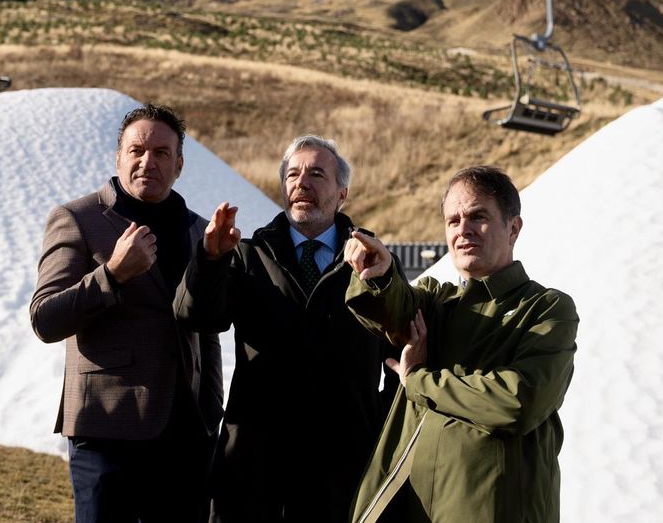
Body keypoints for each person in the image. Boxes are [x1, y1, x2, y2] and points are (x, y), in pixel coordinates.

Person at [174, 135, 399, 523]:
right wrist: (210, 260)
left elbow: (400, 351)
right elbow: (197, 317)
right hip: (256, 468)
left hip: (344, 469)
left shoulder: (373, 260)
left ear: (342, 192)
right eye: (293, 173)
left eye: (316, 173)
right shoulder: (248, 255)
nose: (302, 182)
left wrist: (375, 422)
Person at [342, 165, 579, 523]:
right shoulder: (438, 302)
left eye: (477, 216)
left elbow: (517, 400)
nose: (463, 230)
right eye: (453, 221)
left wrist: (420, 381)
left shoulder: (546, 308)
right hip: (414, 508)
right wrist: (381, 275)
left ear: (513, 228)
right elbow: (393, 309)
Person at [30, 103, 223, 523]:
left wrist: (211, 410)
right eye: (136, 150)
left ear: (179, 165)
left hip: (186, 435)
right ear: (118, 157)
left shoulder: (198, 230)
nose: (147, 161)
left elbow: (205, 330)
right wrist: (112, 275)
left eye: (161, 153)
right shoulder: (76, 219)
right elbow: (45, 318)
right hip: (105, 432)